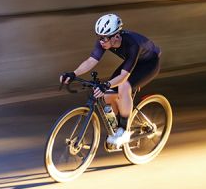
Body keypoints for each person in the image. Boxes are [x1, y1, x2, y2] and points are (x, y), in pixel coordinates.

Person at [60, 13, 161, 148]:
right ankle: (117, 128)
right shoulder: (104, 41)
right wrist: (73, 73)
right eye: (99, 37)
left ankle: (124, 131)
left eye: (104, 38)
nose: (101, 41)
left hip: (149, 64)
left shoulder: (132, 44)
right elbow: (91, 61)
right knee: (108, 96)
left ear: (116, 37)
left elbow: (123, 77)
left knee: (124, 86)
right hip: (133, 62)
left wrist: (106, 84)